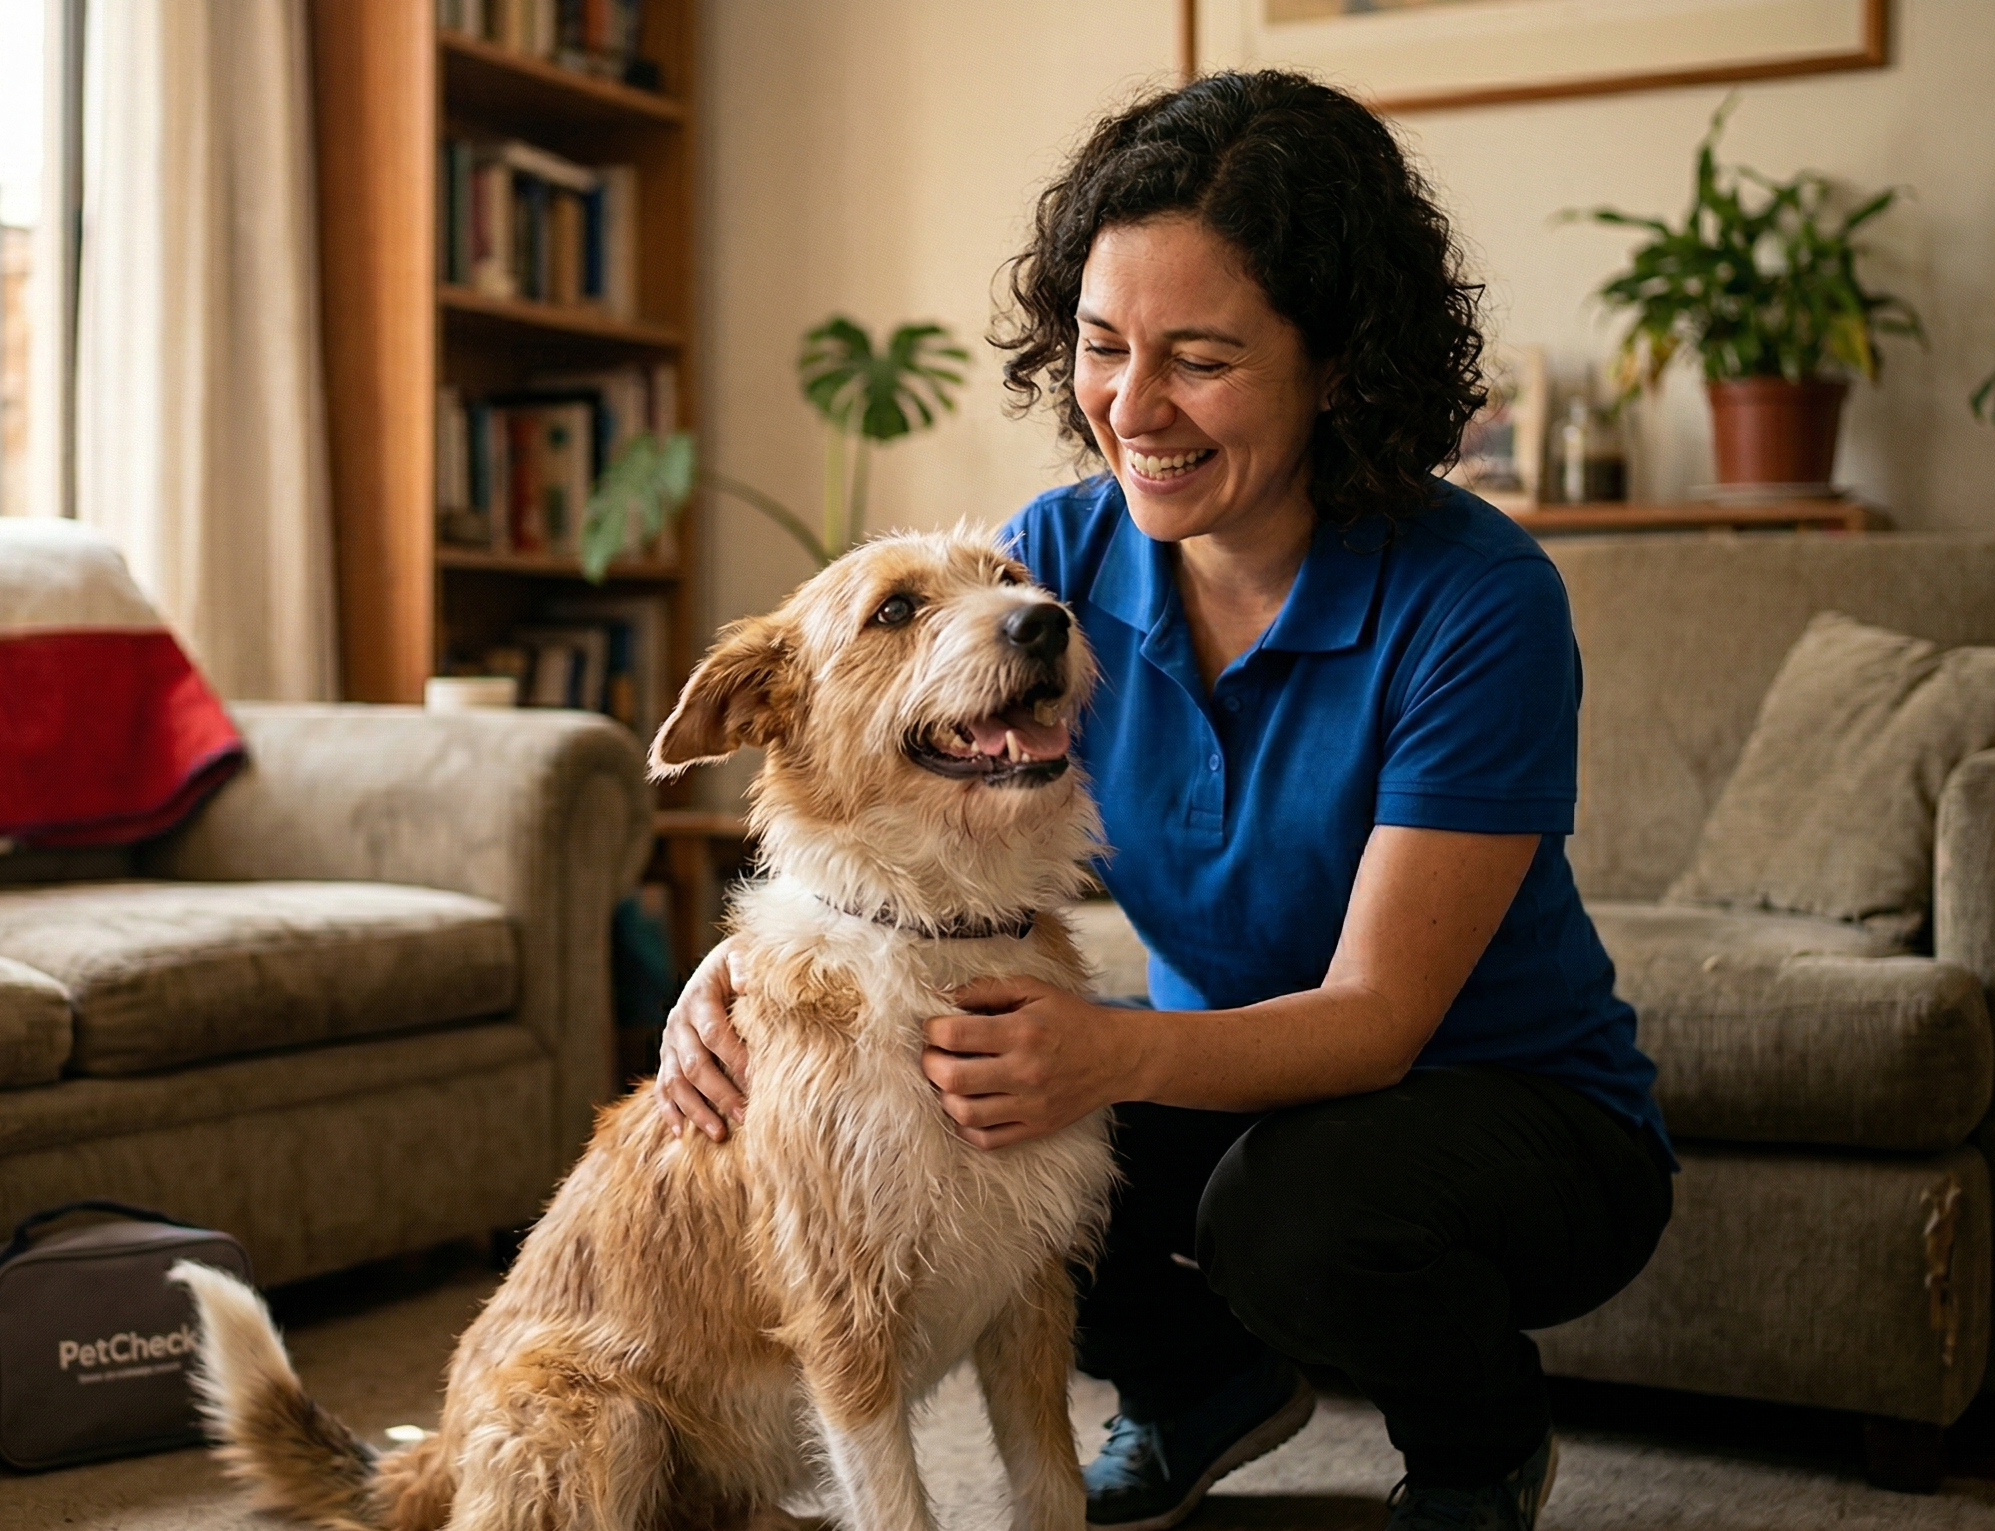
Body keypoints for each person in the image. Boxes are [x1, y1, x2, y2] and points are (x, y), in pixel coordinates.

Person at [657, 71, 1674, 1531]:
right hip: (1217, 1058)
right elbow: (909, 838)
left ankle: (1479, 1442)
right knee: (969, 1105)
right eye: (1100, 346)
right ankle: (1199, 1387)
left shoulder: (1477, 599)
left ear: (1336, 364)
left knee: (1290, 1208)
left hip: (1504, 1111)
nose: (1132, 409)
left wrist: (1107, 1055)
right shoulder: (1046, 571)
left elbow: (1377, 1019)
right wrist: (747, 970)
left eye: (1199, 358)